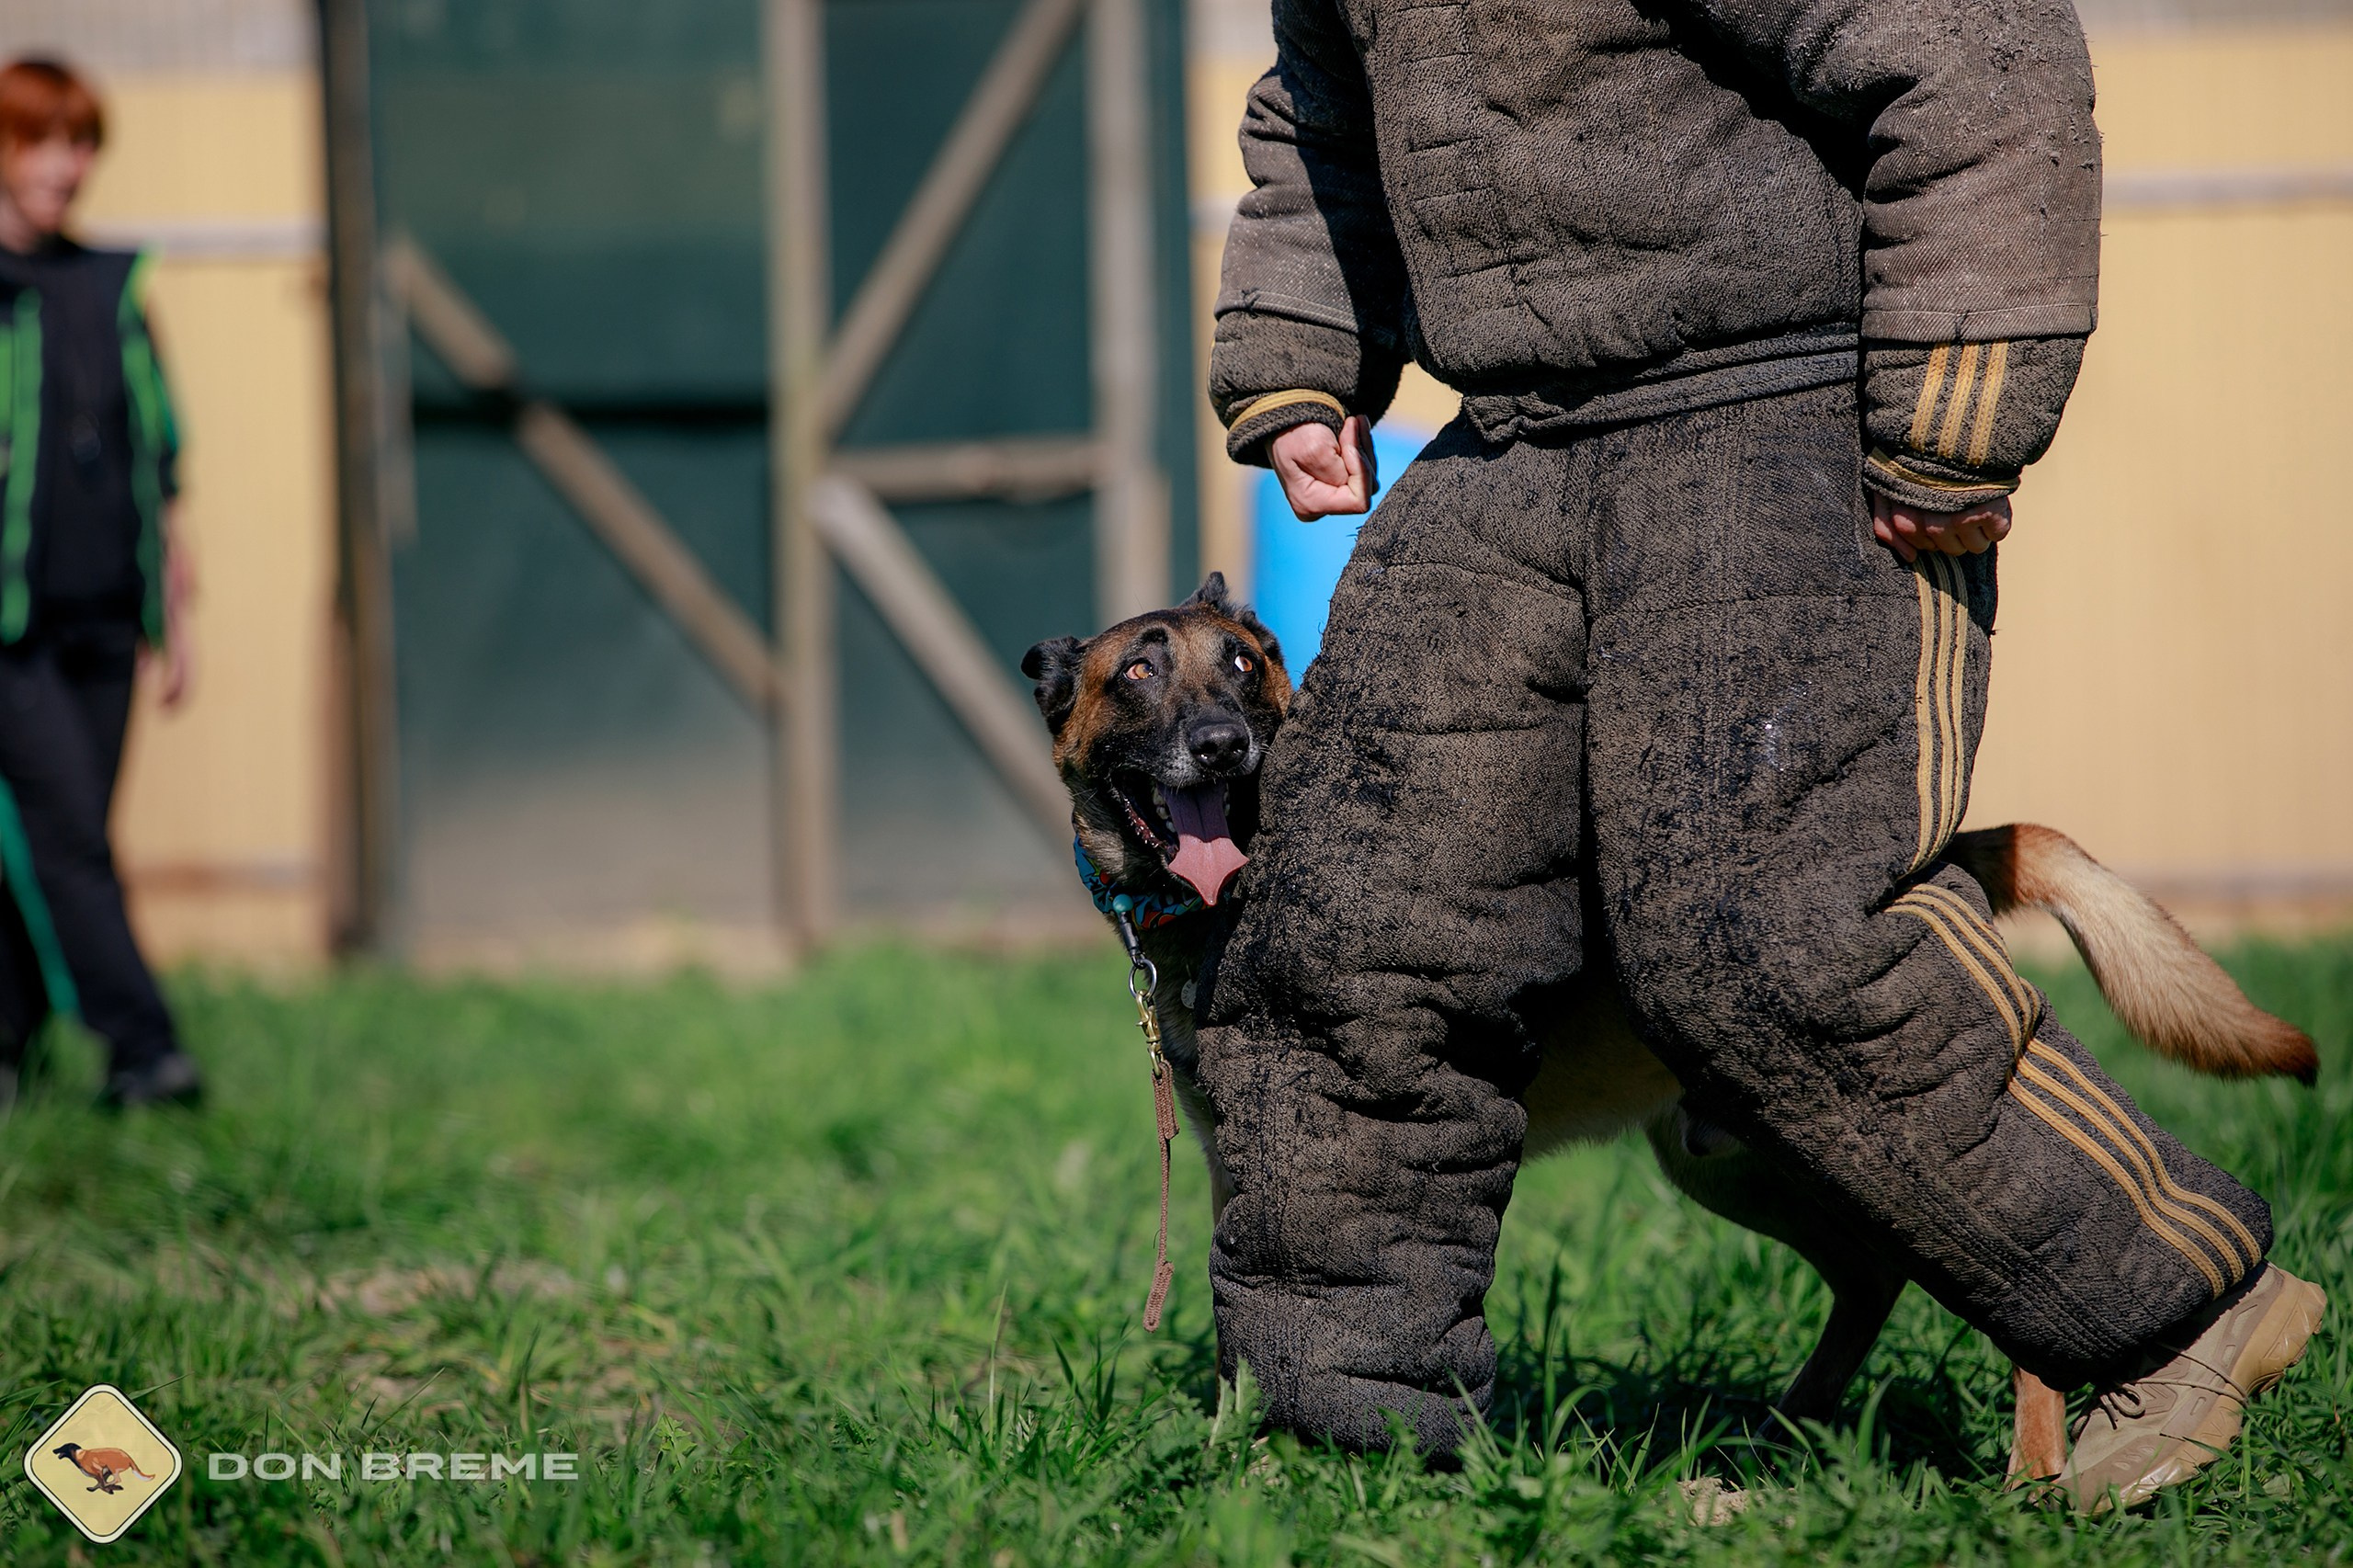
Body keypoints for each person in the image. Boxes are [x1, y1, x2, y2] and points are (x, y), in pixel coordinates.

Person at [1195, 0, 2323, 1509]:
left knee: (1762, 940)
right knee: (1343, 942)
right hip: (1509, 441)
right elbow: (1320, 118)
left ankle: (2176, 1304)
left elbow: (1969, 55)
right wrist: (1298, 360)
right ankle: (1345, 1445)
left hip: (1774, 411)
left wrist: (1960, 400)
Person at [0, 57, 201, 1109]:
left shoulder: (110, 286)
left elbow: (159, 451)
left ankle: (8, 1040)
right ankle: (144, 1047)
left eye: (79, 144)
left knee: (58, 836)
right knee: (69, 833)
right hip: (11, 627)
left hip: (104, 614)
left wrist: (174, 608)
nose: (64, 166)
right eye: (40, 142)